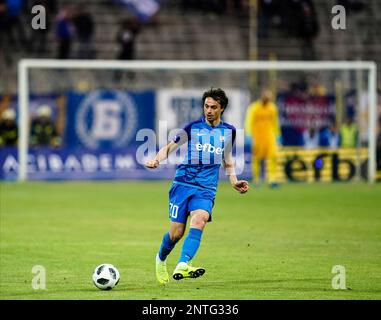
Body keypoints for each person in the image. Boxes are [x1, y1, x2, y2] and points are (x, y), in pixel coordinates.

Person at [145, 88, 249, 285]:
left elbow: (227, 159)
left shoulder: (229, 132)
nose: (208, 110)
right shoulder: (193, 127)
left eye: (213, 107)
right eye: (206, 106)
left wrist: (234, 180)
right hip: (183, 183)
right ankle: (160, 258)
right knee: (176, 233)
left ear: (222, 109)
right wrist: (156, 159)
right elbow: (170, 147)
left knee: (200, 219)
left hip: (206, 188)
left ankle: (183, 264)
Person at [245, 89, 281, 187]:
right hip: (257, 136)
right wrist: (249, 135)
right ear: (262, 97)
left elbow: (275, 123)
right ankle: (257, 179)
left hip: (269, 136)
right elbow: (249, 122)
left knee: (273, 156)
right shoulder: (254, 108)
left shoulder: (272, 108)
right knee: (257, 158)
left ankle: (272, 179)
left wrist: (278, 135)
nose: (267, 100)